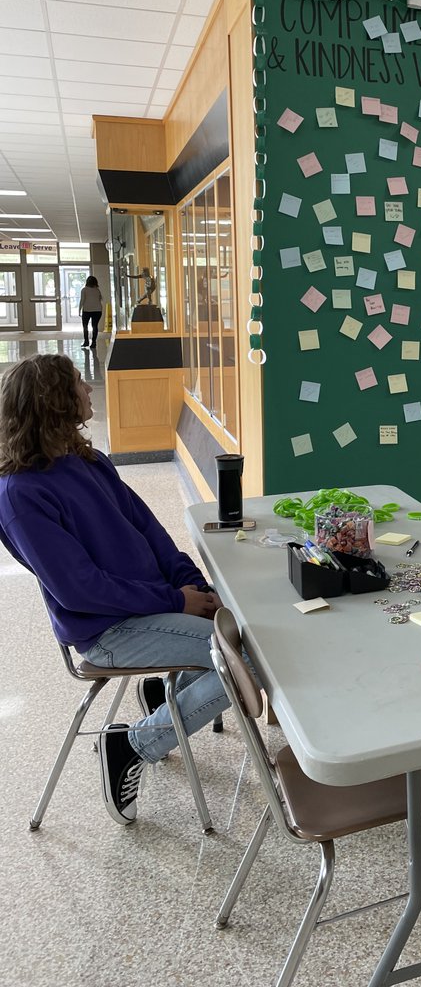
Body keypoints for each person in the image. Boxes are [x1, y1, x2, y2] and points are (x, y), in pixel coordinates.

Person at [0, 354, 229, 826]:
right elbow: (79, 591)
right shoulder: (20, 494)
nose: (89, 391)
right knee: (245, 660)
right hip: (107, 630)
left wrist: (191, 585)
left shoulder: (89, 461)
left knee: (234, 629)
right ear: (55, 402)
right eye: (80, 384)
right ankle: (131, 743)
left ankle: (161, 699)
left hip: (151, 608)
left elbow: (150, 531)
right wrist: (175, 601)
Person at [78, 275, 103, 349]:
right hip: (98, 310)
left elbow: (82, 300)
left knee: (85, 326)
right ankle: (94, 342)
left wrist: (79, 310)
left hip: (87, 310)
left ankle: (86, 341)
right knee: (95, 326)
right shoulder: (97, 290)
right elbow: (100, 299)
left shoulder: (84, 290)